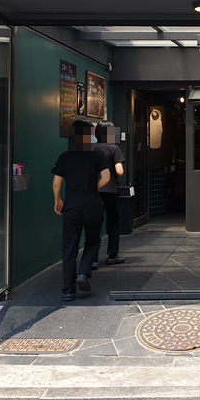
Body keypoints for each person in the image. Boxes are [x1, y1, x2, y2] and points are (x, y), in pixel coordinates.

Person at [51, 119, 110, 302]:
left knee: (69, 248)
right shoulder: (97, 154)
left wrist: (57, 200)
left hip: (72, 207)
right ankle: (83, 273)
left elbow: (56, 183)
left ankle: (68, 290)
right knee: (93, 241)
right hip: (93, 205)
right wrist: (92, 188)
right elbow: (106, 177)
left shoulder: (65, 156)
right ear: (89, 135)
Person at [95, 120, 125, 265]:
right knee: (113, 222)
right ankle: (112, 255)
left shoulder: (91, 148)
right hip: (111, 190)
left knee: (94, 224)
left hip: (94, 191)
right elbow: (119, 171)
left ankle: (92, 259)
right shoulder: (114, 148)